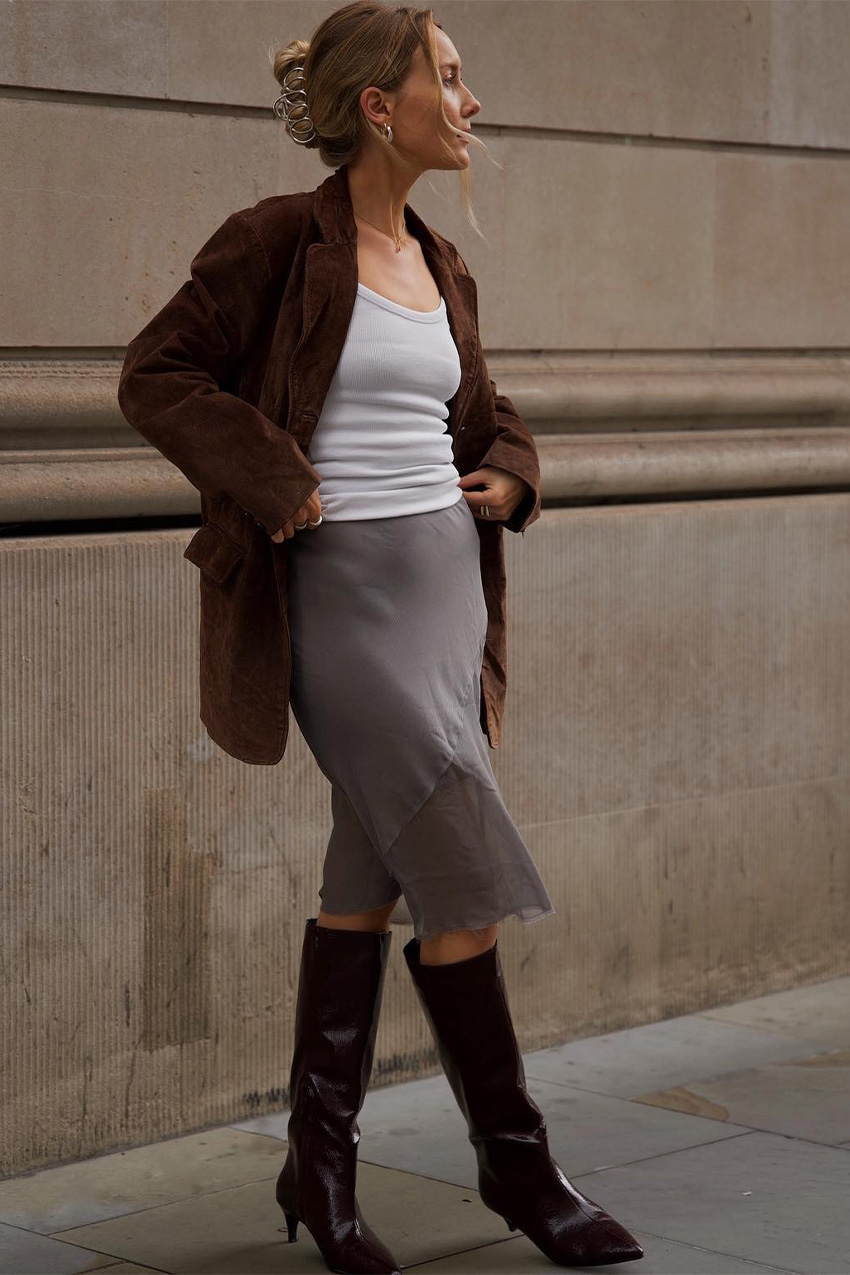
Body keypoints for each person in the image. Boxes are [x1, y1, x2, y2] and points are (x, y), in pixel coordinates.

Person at [118, 4, 644, 1272]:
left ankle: (320, 1159)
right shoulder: (274, 243)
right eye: (450, 80)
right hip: (339, 601)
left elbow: (484, 411)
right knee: (460, 868)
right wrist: (272, 474)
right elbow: (156, 375)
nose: (471, 103)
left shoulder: (439, 261)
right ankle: (520, 1167)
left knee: (367, 879)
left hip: (448, 598)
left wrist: (511, 476)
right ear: (378, 105)